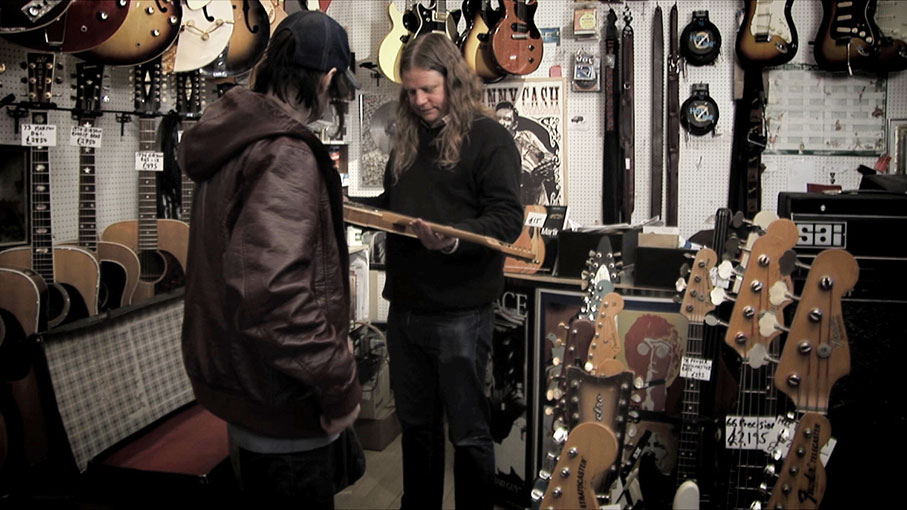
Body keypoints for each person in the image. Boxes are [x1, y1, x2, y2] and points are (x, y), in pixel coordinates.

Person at [178, 10, 362, 509]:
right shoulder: (283, 153)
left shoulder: (235, 140)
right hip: (283, 406)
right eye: (335, 87)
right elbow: (272, 294)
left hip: (247, 399)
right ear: (325, 79)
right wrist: (339, 380)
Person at [363, 33, 523, 510]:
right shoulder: (409, 141)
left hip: (460, 313)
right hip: (406, 309)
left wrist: (453, 237)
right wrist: (352, 209)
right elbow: (394, 209)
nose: (419, 101)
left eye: (428, 89)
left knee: (470, 434)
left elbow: (506, 220)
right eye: (410, 92)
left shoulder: (489, 138)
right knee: (417, 429)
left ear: (453, 81)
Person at [494, 101, 559, 205]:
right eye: (498, 119)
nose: (501, 123)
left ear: (515, 125)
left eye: (507, 119)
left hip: (534, 197)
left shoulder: (527, 137)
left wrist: (539, 171)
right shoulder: (490, 144)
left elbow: (549, 158)